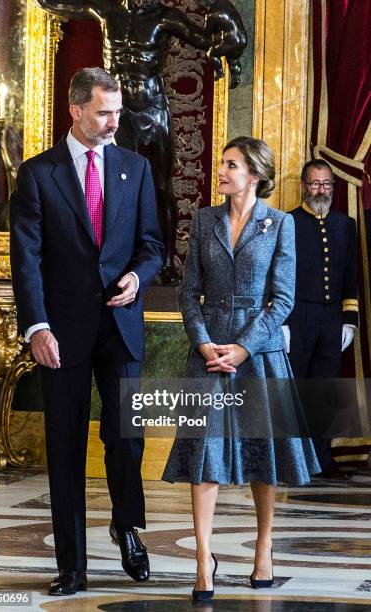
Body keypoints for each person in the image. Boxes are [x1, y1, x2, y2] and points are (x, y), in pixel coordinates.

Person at [10, 67, 163, 596]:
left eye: (117, 111)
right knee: (65, 446)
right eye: (104, 112)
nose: (114, 121)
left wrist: (136, 277)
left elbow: (152, 246)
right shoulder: (37, 175)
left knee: (127, 437)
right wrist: (36, 327)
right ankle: (72, 564)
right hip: (61, 332)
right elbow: (25, 260)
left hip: (120, 327)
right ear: (75, 111)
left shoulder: (136, 168)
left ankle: (127, 525)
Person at [162, 137, 320, 599]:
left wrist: (244, 348)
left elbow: (284, 298)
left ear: (254, 174)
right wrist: (205, 341)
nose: (222, 170)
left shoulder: (281, 223)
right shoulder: (206, 218)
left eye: (231, 164)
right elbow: (189, 291)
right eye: (223, 163)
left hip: (260, 354)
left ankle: (264, 548)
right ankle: (202, 561)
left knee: (262, 456)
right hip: (208, 353)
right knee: (203, 456)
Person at [36, 0, 247, 284]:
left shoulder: (164, 17)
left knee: (162, 186)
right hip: (119, 114)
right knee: (117, 190)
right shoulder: (106, 10)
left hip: (153, 108)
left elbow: (208, 41)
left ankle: (168, 262)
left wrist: (228, 17)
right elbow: (56, 5)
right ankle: (120, 261)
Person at [284, 159, 358, 478]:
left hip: (331, 319)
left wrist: (349, 320)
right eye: (315, 184)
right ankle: (293, 459)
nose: (321, 190)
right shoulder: (288, 222)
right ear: (303, 186)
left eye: (326, 184)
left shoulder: (344, 225)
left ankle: (321, 458)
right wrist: (282, 322)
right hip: (298, 316)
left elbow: (350, 275)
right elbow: (280, 276)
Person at [195, 0, 247, 88]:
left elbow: (207, 31)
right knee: (233, 58)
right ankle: (236, 77)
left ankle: (219, 72)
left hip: (231, 41)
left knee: (211, 53)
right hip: (243, 39)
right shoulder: (225, 2)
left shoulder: (211, 14)